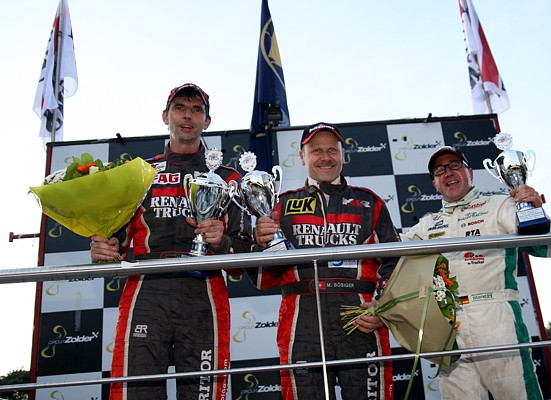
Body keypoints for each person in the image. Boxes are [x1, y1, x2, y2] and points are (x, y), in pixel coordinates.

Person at [90, 83, 253, 400]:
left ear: (207, 121)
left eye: (196, 110)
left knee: (203, 394)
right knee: (135, 394)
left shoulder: (228, 177)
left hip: (204, 291)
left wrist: (221, 242)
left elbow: (245, 256)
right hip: (147, 289)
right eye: (180, 108)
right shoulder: (139, 174)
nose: (187, 116)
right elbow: (116, 243)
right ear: (165, 116)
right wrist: (103, 247)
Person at [398, 146, 551, 400]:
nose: (448, 173)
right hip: (447, 326)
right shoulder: (427, 224)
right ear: (434, 184)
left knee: (517, 394)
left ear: (470, 173)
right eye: (439, 170)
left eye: (455, 165)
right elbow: (391, 253)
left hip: (495, 317)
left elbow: (547, 247)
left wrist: (533, 210)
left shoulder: (499, 204)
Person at [251, 122, 397, 400]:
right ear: (302, 157)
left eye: (332, 150)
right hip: (302, 318)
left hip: (360, 316)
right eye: (316, 150)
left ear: (343, 155)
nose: (325, 157)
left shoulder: (370, 202)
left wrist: (382, 305)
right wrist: (260, 244)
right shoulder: (282, 205)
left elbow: (394, 262)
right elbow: (262, 279)